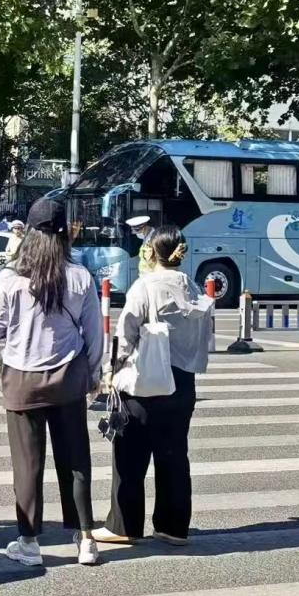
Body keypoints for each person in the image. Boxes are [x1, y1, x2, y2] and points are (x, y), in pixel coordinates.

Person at [0, 197, 104, 567]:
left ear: (29, 234)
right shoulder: (81, 277)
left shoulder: (9, 279)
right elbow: (94, 334)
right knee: (75, 460)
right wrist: (95, 375)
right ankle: (85, 539)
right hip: (68, 379)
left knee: (27, 463)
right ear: (65, 232)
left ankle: (29, 543)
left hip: (22, 379)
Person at [93, 225, 215, 548]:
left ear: (150, 252)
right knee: (173, 454)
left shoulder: (144, 287)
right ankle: (174, 527)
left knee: (130, 457)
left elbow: (126, 335)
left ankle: (124, 525)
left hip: (146, 383)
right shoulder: (194, 289)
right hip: (183, 383)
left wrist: (110, 372)